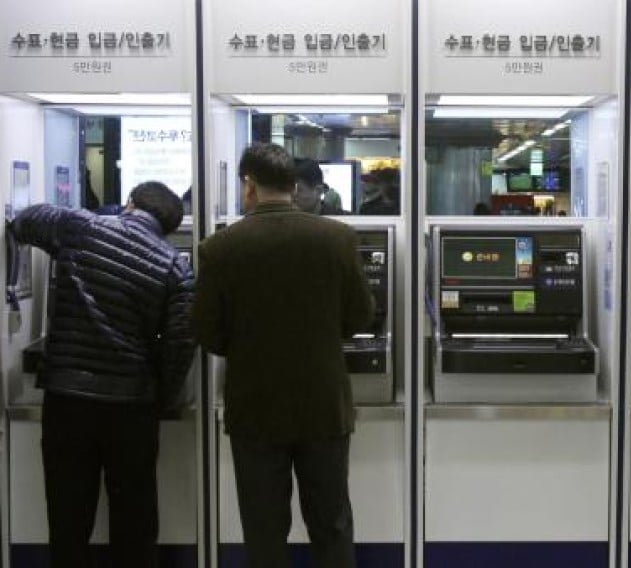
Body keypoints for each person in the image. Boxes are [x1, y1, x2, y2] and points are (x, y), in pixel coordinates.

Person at [194, 143, 374, 568]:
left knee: (263, 528)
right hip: (324, 406)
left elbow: (206, 331)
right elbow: (361, 314)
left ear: (248, 185)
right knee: (330, 523)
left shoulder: (220, 247)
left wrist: (247, 347)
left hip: (255, 408)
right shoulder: (337, 238)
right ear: (294, 186)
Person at [8, 182, 195, 568]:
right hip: (131, 409)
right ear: (170, 226)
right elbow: (179, 346)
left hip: (68, 400)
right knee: (135, 522)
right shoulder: (175, 265)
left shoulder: (81, 226)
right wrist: (160, 399)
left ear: (129, 204)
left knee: (68, 520)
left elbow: (24, 221)